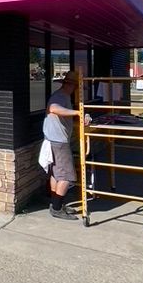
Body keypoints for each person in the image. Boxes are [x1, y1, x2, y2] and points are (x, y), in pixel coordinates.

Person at [42, 69, 90, 220]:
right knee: (67, 176)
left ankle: (55, 204)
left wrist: (79, 115)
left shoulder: (64, 97)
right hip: (59, 142)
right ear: (73, 86)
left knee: (57, 174)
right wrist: (77, 113)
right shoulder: (59, 97)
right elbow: (53, 108)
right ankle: (56, 208)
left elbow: (62, 113)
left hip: (54, 140)